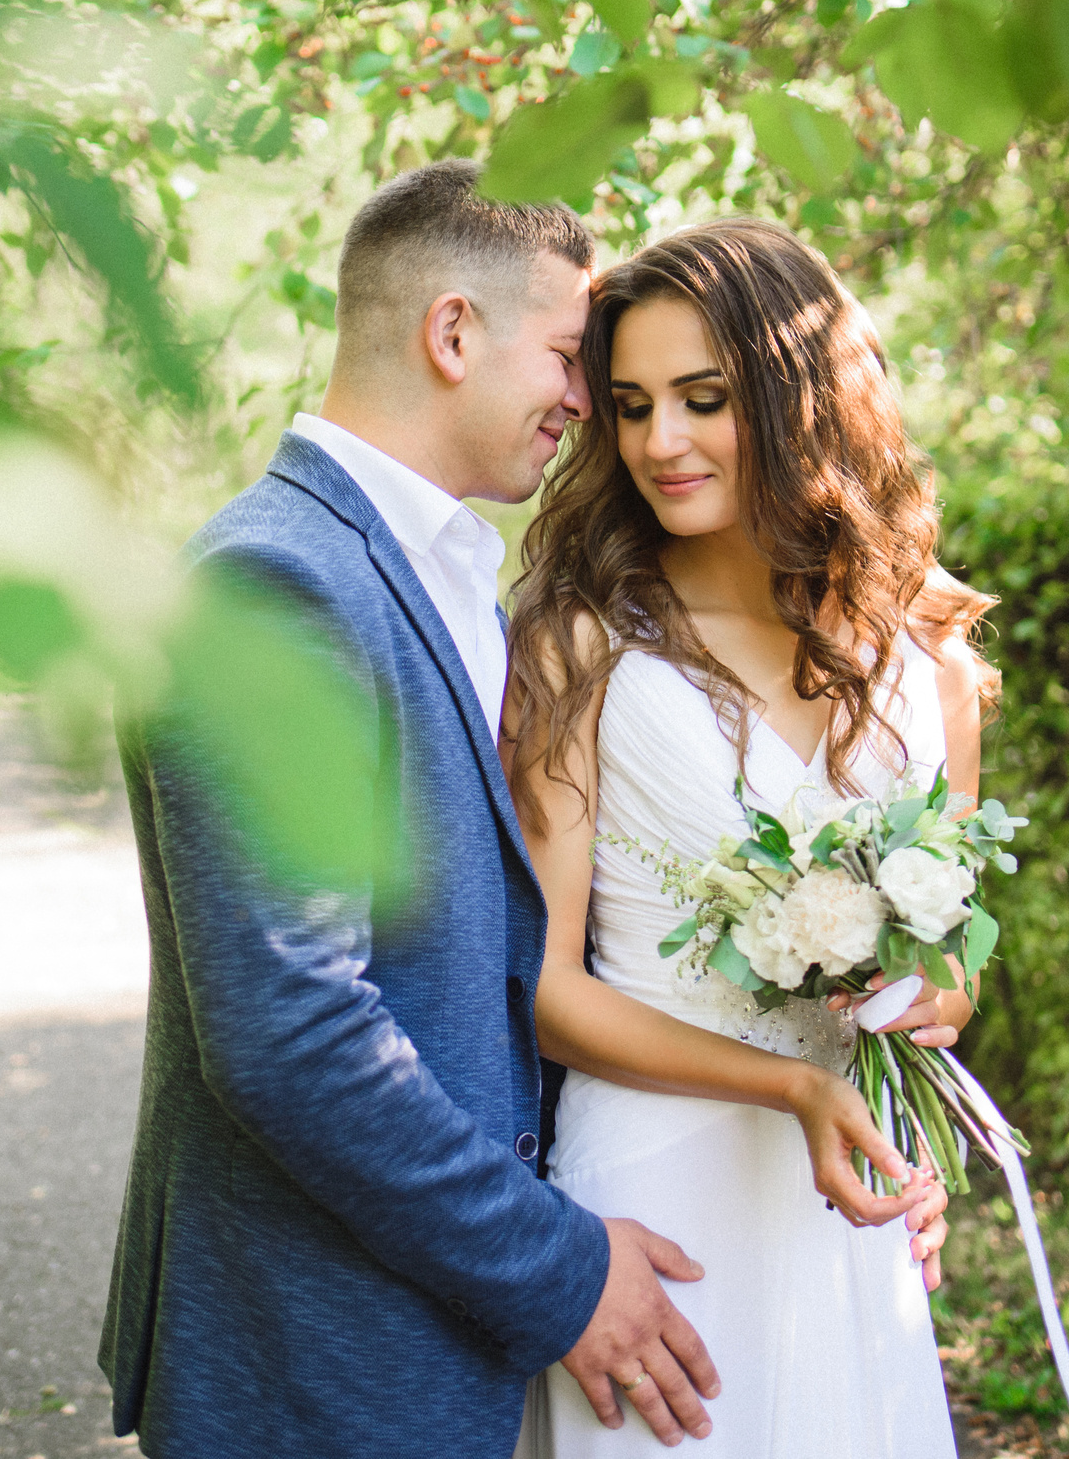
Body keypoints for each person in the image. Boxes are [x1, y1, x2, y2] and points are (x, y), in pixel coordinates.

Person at [99, 167, 934, 1459]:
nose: (589, 406)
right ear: (450, 335)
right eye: (569, 357)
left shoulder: (446, 587)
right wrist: (562, 1267)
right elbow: (292, 1033)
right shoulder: (275, 586)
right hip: (324, 1339)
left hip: (462, 1304)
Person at [504, 218, 994, 1457]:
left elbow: (954, 968)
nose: (659, 442)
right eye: (628, 405)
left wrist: (923, 1034)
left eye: (701, 398)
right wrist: (793, 1080)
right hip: (656, 1186)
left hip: (844, 1191)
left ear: (793, 398)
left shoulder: (925, 654)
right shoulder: (581, 641)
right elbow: (549, 991)